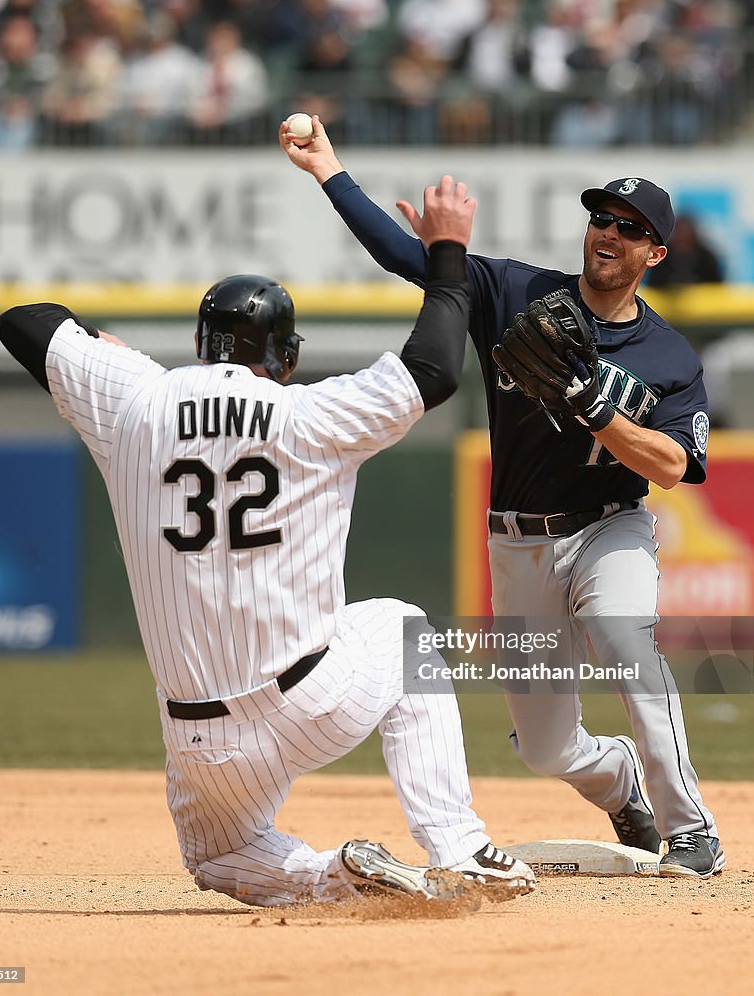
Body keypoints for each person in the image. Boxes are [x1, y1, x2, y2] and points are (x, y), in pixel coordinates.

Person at [0, 176, 536, 907]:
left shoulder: (134, 399)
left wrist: (97, 351)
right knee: (404, 630)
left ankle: (332, 874)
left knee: (221, 859)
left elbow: (23, 320)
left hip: (202, 740)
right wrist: (446, 256)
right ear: (283, 356)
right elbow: (435, 369)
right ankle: (462, 848)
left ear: (200, 342)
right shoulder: (310, 414)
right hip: (316, 701)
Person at [280, 116, 725, 881]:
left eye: (630, 227)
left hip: (608, 528)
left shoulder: (667, 356)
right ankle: (619, 782)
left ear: (654, 253)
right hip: (518, 541)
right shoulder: (513, 291)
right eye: (601, 218)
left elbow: (674, 464)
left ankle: (692, 830)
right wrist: (328, 168)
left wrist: (594, 407)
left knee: (626, 643)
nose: (608, 232)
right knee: (549, 747)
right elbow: (405, 257)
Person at [645, 213, 724, 288]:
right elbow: (653, 284)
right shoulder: (661, 256)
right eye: (680, 240)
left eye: (686, 240)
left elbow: (716, 288)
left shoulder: (707, 258)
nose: (682, 245)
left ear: (694, 237)